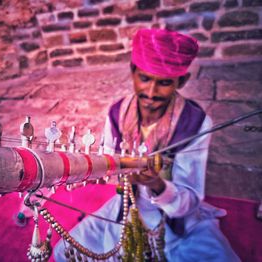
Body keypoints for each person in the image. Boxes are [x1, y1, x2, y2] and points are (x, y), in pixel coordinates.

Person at [54, 28, 240, 261]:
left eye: (164, 83)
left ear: (181, 81)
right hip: (126, 207)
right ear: (133, 71)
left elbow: (190, 198)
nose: (151, 93)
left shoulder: (196, 123)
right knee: (65, 252)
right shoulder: (117, 113)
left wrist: (157, 185)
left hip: (174, 215)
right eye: (144, 78)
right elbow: (109, 162)